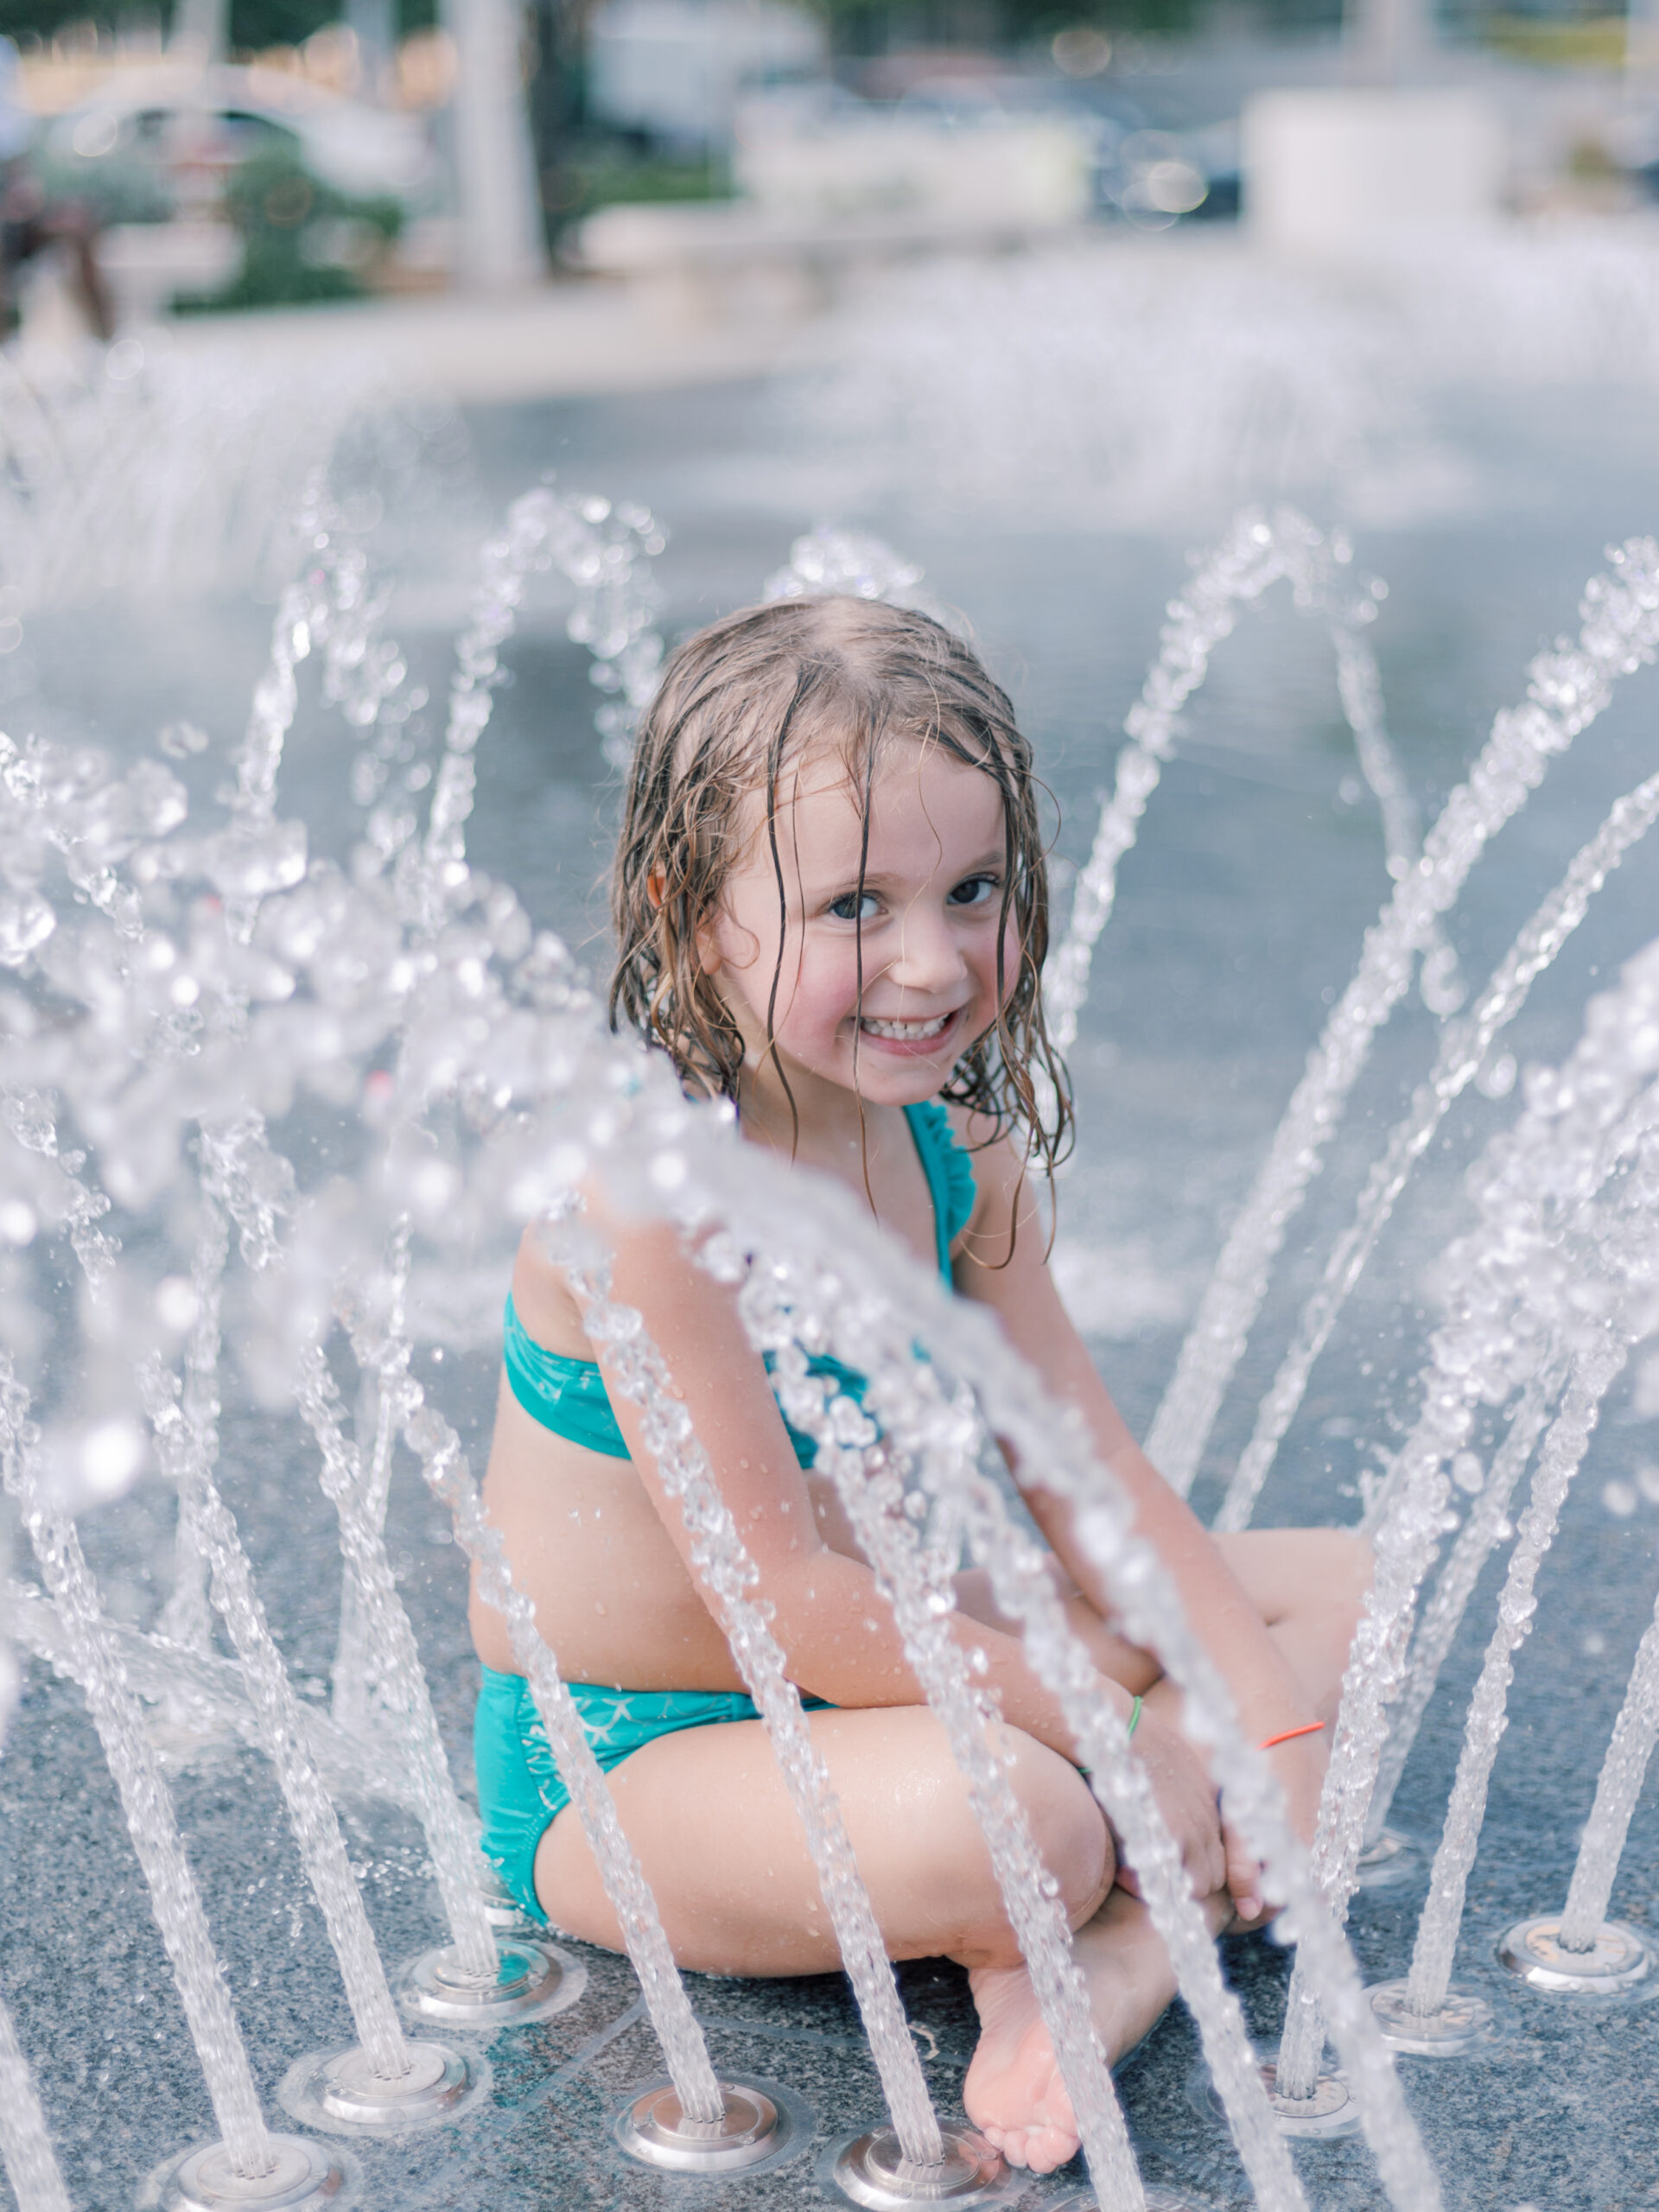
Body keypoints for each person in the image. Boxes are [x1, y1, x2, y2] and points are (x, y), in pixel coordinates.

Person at [472, 596, 1370, 2175]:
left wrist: (1279, 1747)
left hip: (887, 1666)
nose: (932, 960)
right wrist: (1116, 1722)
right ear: (695, 915)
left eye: (974, 890)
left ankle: (1120, 1951)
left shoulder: (962, 1157)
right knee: (1030, 1820)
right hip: (637, 1760)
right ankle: (1103, 1899)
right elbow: (788, 1603)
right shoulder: (656, 1205)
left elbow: (1089, 1476)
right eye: (853, 907)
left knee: (1372, 1593)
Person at [0, 37, 113, 344]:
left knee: (77, 223)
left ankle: (107, 348)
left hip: (12, 211)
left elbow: (17, 157)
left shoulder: (3, 54)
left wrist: (23, 193)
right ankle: (8, 349)